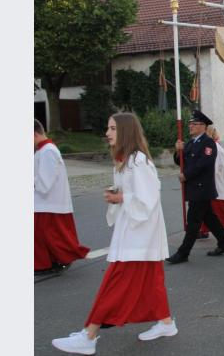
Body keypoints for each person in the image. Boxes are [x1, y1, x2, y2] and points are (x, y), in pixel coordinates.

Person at [52, 113, 176, 354]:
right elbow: (135, 197)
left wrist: (121, 197)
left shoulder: (137, 162)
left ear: (126, 132)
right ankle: (166, 323)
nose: (107, 133)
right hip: (136, 233)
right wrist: (118, 196)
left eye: (112, 128)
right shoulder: (125, 161)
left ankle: (89, 335)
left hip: (139, 237)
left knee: (115, 283)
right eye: (107, 128)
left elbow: (149, 200)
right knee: (152, 282)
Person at [166, 110, 224, 264]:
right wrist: (178, 151)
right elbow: (180, 161)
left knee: (193, 220)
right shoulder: (190, 143)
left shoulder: (208, 143)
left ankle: (183, 253)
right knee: (209, 217)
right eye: (190, 124)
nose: (190, 126)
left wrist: (186, 175)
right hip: (194, 188)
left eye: (194, 124)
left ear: (203, 126)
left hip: (202, 188)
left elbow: (203, 164)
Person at [34, 119, 89, 274]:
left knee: (47, 237)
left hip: (49, 203)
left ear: (34, 133)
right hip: (44, 203)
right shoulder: (42, 151)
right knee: (44, 237)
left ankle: (50, 263)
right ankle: (50, 262)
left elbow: (46, 182)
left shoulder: (48, 151)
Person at [197, 127, 224, 240]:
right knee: (207, 208)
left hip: (215, 182)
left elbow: (216, 166)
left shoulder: (215, 147)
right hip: (213, 182)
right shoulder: (212, 146)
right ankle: (203, 230)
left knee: (220, 207)